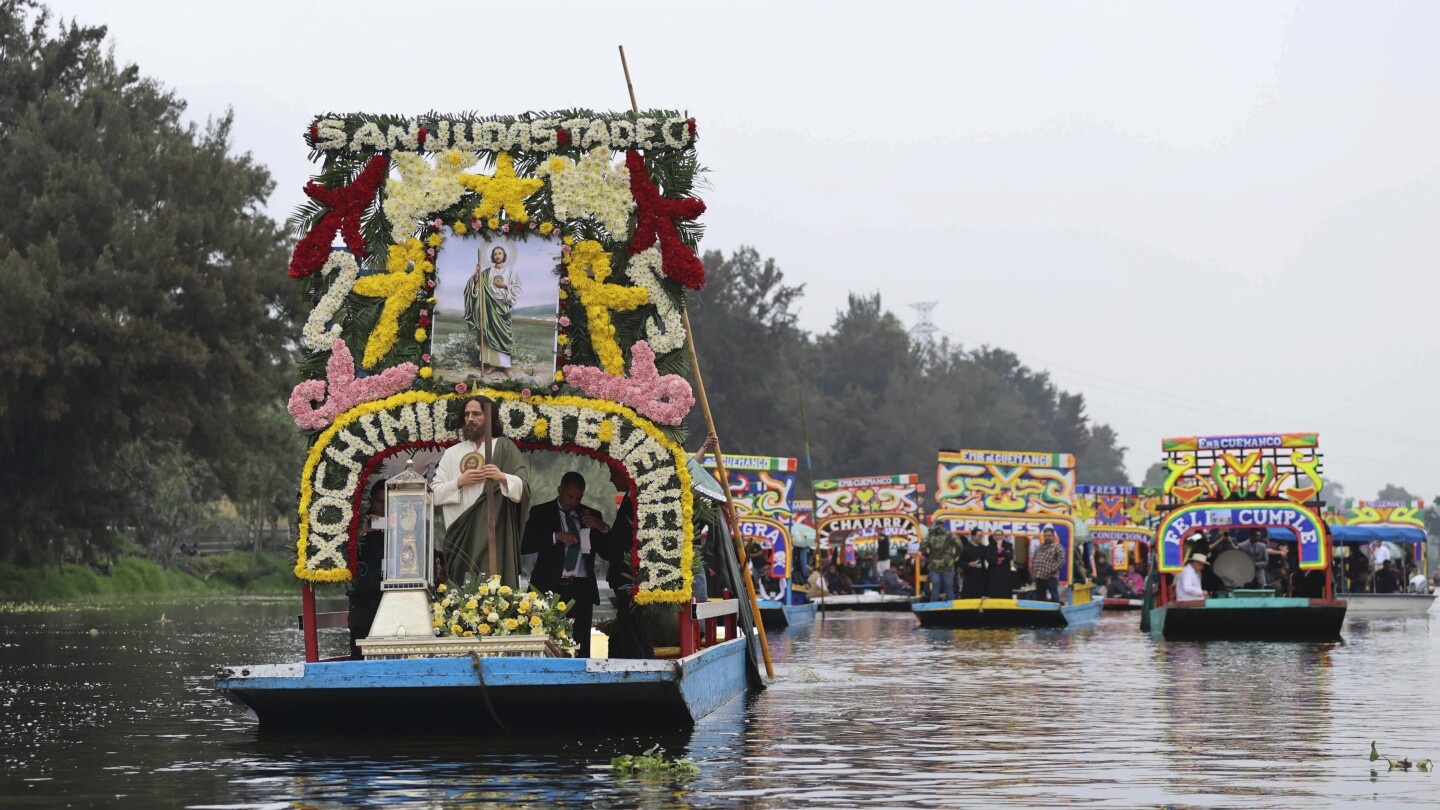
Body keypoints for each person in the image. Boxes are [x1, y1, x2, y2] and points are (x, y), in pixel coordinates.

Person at [433, 397, 531, 587]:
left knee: (493, 592)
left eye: (476, 414)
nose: (470, 419)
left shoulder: (505, 448)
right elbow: (434, 494)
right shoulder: (452, 453)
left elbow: (523, 488)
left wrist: (502, 476)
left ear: (490, 418)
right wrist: (459, 482)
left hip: (495, 535)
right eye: (467, 414)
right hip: (461, 538)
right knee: (463, 596)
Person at [522, 471, 610, 658]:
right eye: (569, 497)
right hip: (550, 587)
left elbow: (608, 552)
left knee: (580, 646)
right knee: (548, 642)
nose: (574, 503)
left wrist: (602, 527)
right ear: (559, 490)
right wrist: (555, 536)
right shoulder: (541, 512)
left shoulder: (591, 515)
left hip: (581, 589)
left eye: (578, 498)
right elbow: (524, 545)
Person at [597, 466, 653, 659]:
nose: (612, 480)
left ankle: (643, 671)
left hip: (632, 581)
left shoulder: (637, 502)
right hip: (624, 580)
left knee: (636, 635)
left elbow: (623, 543)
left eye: (614, 474)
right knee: (628, 633)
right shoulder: (629, 500)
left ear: (626, 475)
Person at [347, 478, 386, 660]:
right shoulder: (359, 524)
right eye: (379, 502)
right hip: (364, 599)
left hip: (389, 597)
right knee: (359, 651)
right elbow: (351, 557)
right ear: (371, 501)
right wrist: (364, 533)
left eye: (389, 502)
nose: (383, 508)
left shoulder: (402, 525)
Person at [464, 245, 519, 373]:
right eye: (495, 254)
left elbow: (517, 289)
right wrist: (477, 274)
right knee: (488, 336)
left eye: (500, 253)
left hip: (502, 307)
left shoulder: (511, 272)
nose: (497, 256)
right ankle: (492, 364)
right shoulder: (487, 273)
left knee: (504, 336)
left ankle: (506, 366)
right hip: (488, 308)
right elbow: (475, 286)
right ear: (492, 257)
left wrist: (505, 285)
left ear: (504, 255)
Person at [921, 522, 959, 602]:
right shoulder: (950, 535)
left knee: (935, 586)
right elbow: (959, 545)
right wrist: (954, 556)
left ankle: (934, 608)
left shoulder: (930, 535)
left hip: (934, 564)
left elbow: (922, 547)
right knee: (949, 587)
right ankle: (951, 608)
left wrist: (928, 556)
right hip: (948, 563)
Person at [1029, 526, 1065, 603]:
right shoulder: (1039, 547)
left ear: (1053, 536)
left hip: (1051, 576)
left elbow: (1061, 560)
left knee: (1054, 597)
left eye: (1049, 536)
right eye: (1045, 536)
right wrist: (1033, 572)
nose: (1047, 537)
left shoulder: (1057, 547)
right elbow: (1034, 559)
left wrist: (1051, 570)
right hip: (1039, 576)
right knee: (1040, 598)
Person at [959, 529, 989, 598]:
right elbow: (960, 562)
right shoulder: (966, 549)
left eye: (982, 536)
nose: (981, 538)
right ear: (973, 536)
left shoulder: (984, 548)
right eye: (979, 536)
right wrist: (969, 564)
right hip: (969, 577)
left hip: (981, 577)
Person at [986, 531, 1014, 598]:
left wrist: (999, 548)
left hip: (1005, 574)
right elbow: (989, 558)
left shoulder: (1009, 545)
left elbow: (1010, 556)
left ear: (1003, 536)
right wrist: (1000, 559)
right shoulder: (989, 547)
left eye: (1000, 535)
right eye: (996, 535)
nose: (998, 537)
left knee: (1005, 593)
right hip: (993, 574)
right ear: (993, 537)